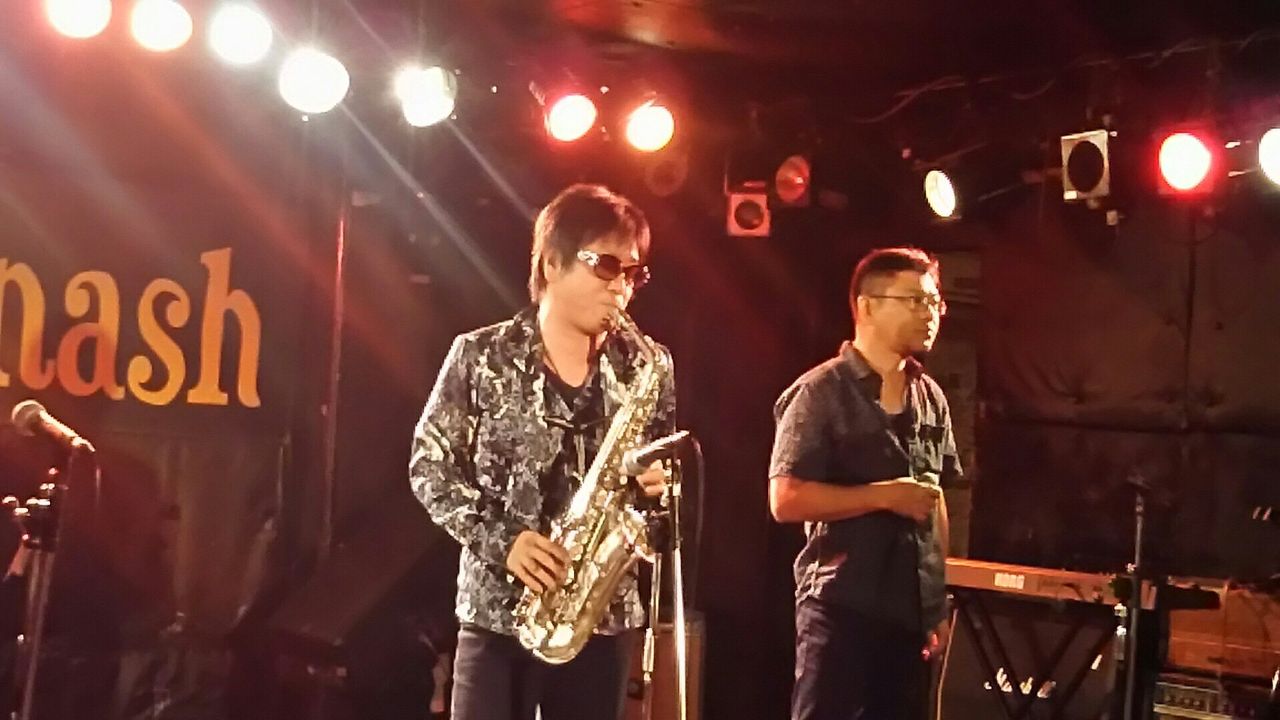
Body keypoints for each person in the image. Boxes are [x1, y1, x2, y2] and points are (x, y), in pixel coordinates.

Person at [410, 183, 676, 720]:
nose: (621, 287)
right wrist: (503, 540)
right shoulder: (479, 355)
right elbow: (429, 467)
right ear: (552, 264)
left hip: (601, 620)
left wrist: (656, 492)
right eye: (606, 266)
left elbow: (655, 504)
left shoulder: (646, 366)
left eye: (633, 274)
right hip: (497, 615)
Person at [769, 246, 961, 720]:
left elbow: (935, 503)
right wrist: (882, 497)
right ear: (867, 306)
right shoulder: (820, 391)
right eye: (914, 301)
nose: (929, 314)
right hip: (840, 607)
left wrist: (936, 603)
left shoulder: (931, 397)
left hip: (909, 615)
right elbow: (785, 498)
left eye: (934, 303)